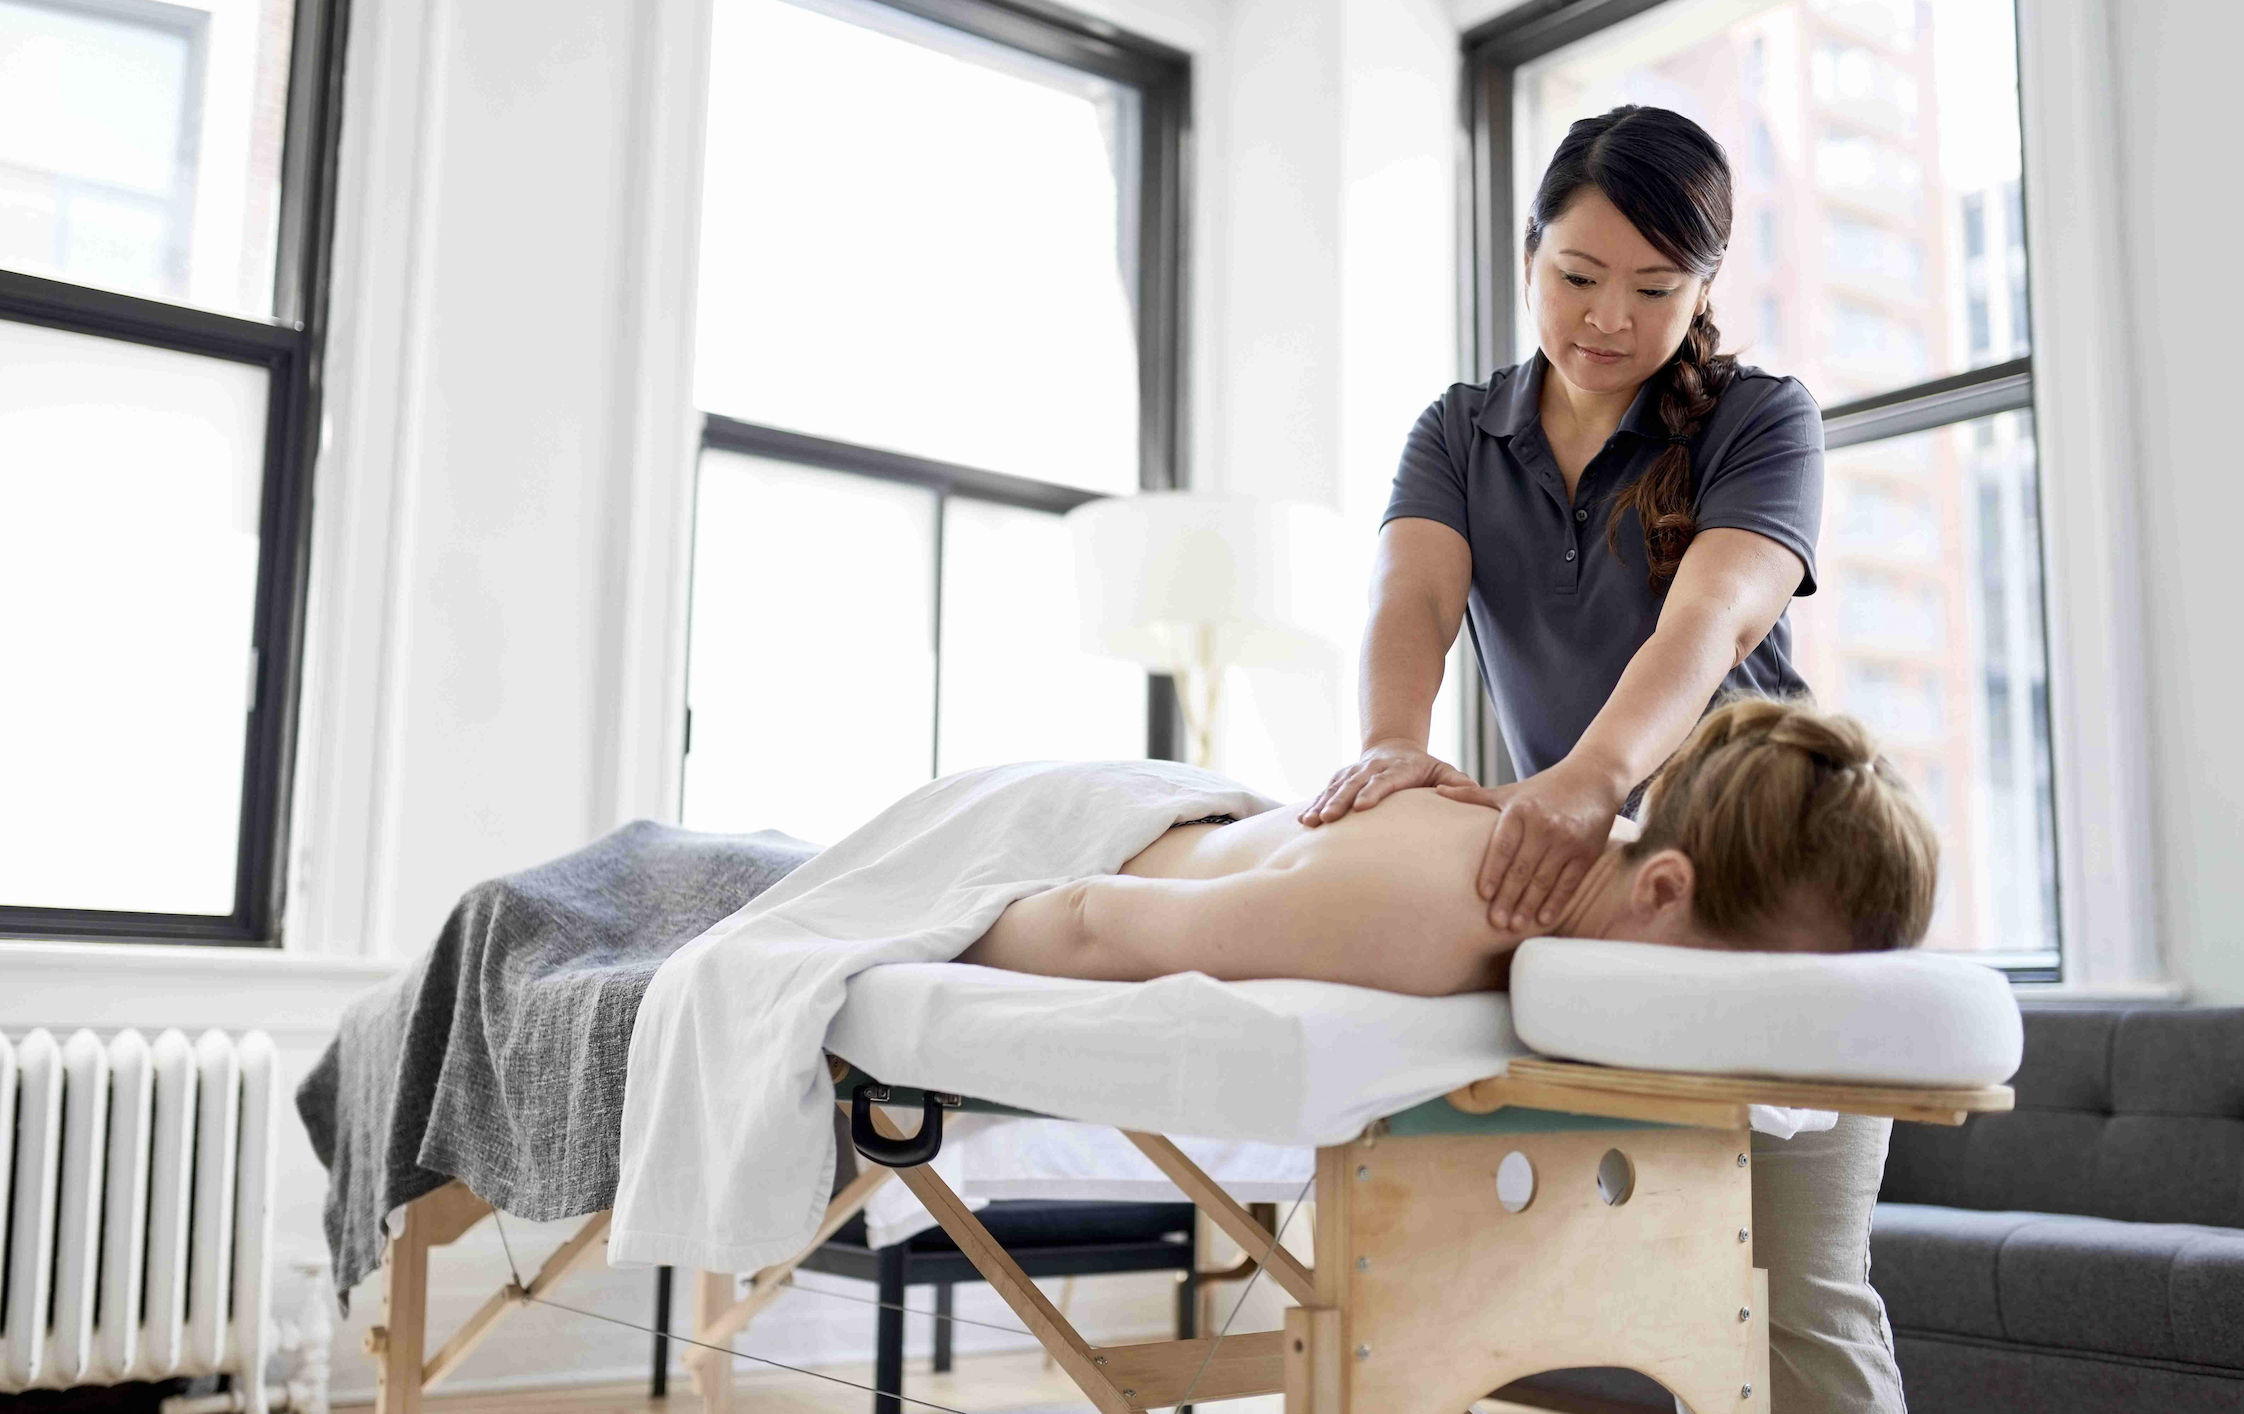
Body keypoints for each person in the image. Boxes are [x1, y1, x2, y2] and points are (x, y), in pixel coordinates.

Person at [1286, 102, 1907, 1412]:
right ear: (1527, 260)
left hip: (1776, 880)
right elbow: (1411, 599)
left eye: (1654, 287)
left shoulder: (1759, 418)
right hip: (1599, 906)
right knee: (1553, 1290)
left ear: (1704, 289)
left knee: (1800, 1284)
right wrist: (1393, 750)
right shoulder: (1461, 432)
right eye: (1577, 277)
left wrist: (1588, 774)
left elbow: (1713, 619)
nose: (1608, 318)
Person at [959, 693, 1935, 995]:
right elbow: (1092, 922)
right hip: (1043, 836)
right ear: (1665, 887)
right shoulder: (1435, 914)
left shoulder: (1615, 872)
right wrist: (923, 940)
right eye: (1764, 986)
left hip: (1211, 823)